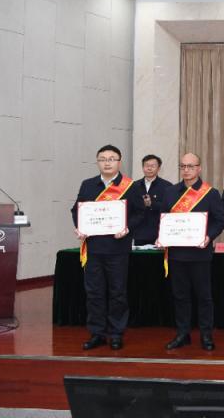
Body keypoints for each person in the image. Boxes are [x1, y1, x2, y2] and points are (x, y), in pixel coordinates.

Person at [70, 145, 136, 351]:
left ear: (119, 162)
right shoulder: (88, 185)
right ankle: (97, 333)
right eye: (103, 159)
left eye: (111, 159)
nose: (107, 162)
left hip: (118, 249)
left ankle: (116, 333)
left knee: (118, 293)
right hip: (93, 249)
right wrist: (80, 227)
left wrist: (127, 228)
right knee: (94, 293)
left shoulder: (130, 186)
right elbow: (76, 210)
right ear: (98, 162)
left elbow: (140, 214)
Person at [159, 152, 224, 351]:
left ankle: (206, 335)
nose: (186, 170)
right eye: (183, 166)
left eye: (190, 166)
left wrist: (208, 237)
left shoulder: (210, 193)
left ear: (199, 168)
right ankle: (183, 334)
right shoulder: (170, 192)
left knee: (204, 296)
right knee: (180, 296)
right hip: (176, 253)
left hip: (200, 253)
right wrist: (161, 236)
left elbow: (219, 221)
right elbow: (163, 219)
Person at [128, 154, 172, 246]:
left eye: (153, 166)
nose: (149, 168)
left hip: (159, 232)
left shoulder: (167, 186)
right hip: (138, 232)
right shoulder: (134, 185)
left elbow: (169, 208)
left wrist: (152, 204)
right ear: (143, 167)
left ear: (159, 168)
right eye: (146, 165)